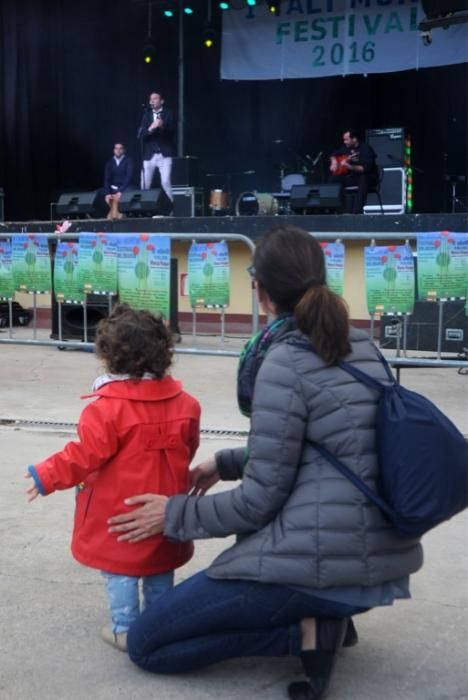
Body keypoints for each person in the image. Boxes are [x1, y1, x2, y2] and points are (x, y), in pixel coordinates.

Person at [107, 226, 423, 700]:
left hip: (321, 563)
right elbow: (324, 446)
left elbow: (257, 503)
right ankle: (324, 617)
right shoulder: (362, 346)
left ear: (262, 291)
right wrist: (227, 462)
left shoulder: (284, 360)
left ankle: (309, 633)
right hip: (376, 553)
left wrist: (171, 515)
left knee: (148, 644)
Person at [25, 304, 200, 652]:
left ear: (109, 357)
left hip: (118, 511)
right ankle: (159, 624)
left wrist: (45, 475)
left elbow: (82, 456)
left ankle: (125, 629)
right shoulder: (187, 405)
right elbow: (189, 448)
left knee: (121, 570)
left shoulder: (105, 410)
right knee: (159, 568)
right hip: (166, 508)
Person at [138, 92, 175, 203]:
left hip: (164, 155)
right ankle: (144, 208)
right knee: (144, 183)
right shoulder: (147, 115)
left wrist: (162, 125)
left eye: (155, 98)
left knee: (165, 182)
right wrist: (151, 128)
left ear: (161, 101)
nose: (152, 101)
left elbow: (172, 132)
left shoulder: (168, 113)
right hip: (149, 154)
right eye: (151, 99)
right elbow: (141, 136)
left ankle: (172, 207)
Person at [329, 130, 378, 214]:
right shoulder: (346, 148)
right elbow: (333, 155)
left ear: (354, 139)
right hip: (353, 177)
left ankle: (356, 212)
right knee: (334, 179)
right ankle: (339, 211)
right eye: (344, 140)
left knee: (363, 179)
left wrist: (349, 166)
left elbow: (364, 169)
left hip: (368, 177)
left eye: (346, 140)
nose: (344, 142)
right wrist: (334, 162)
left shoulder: (366, 149)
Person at [103, 143, 134, 220]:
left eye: (120, 148)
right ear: (114, 150)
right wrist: (107, 193)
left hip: (125, 187)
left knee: (117, 196)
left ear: (124, 150)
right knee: (103, 194)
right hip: (113, 187)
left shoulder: (128, 161)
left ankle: (113, 215)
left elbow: (129, 177)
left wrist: (120, 191)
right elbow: (106, 179)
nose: (118, 150)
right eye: (116, 148)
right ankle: (118, 215)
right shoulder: (109, 162)